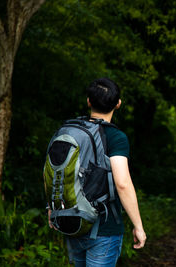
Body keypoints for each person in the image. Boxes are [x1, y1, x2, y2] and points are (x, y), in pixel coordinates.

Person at [48, 77, 146, 266]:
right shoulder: (116, 137)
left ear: (89, 101)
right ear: (118, 104)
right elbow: (123, 183)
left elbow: (53, 171)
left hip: (72, 221)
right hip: (104, 228)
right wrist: (138, 226)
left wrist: (52, 208)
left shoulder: (69, 131)